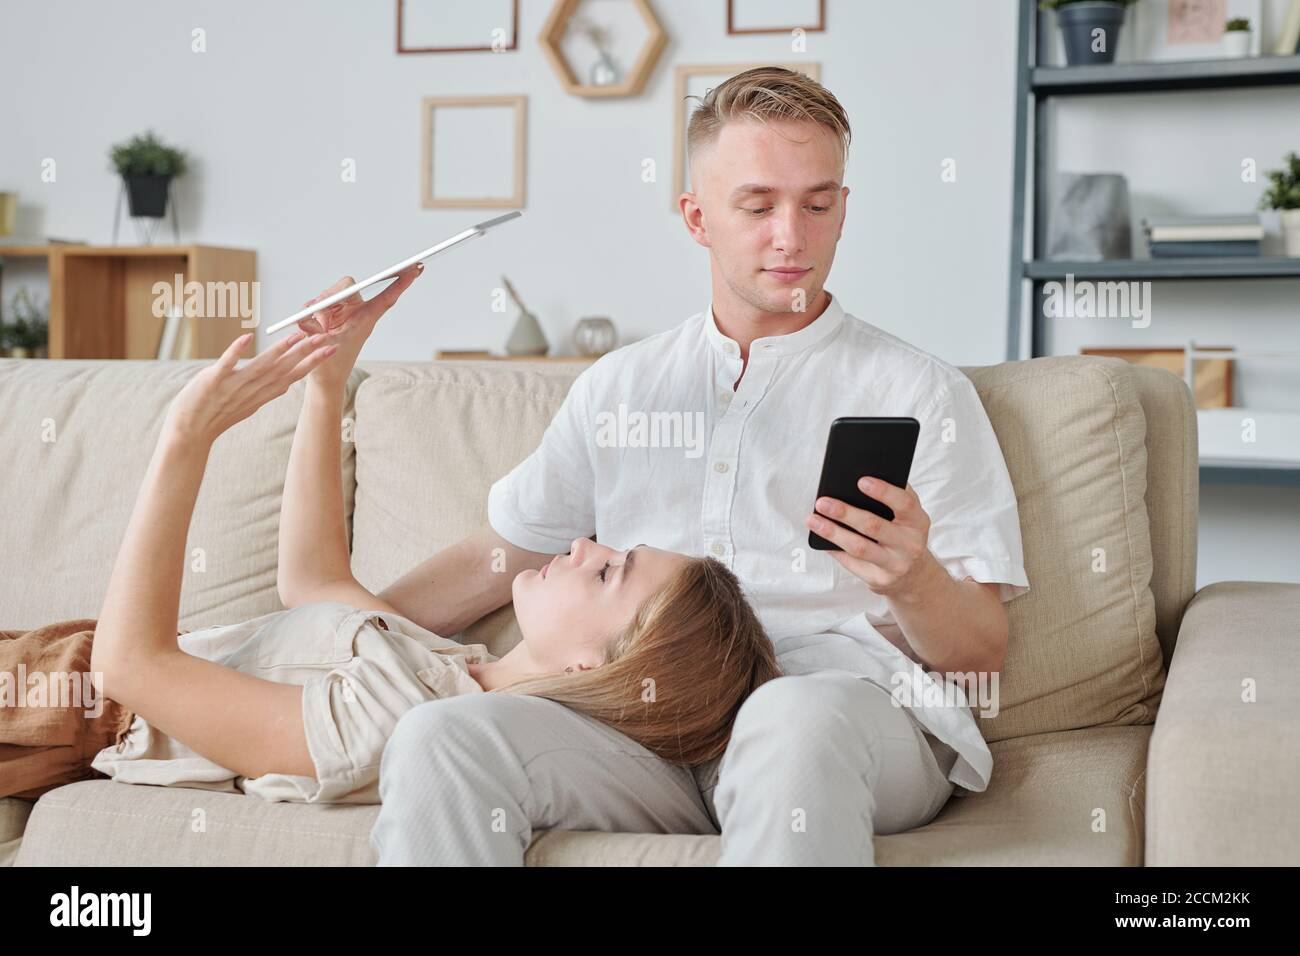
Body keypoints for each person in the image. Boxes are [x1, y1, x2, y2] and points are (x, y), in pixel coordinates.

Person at [360, 67, 1031, 866]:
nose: (792, 236)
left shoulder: (920, 391)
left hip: (839, 718)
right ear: (696, 217)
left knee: (789, 719)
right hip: (649, 727)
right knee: (443, 737)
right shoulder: (622, 385)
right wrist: (346, 637)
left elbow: (982, 651)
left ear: (843, 211)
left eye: (818, 204)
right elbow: (494, 557)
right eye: (757, 206)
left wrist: (912, 580)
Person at [0, 264, 780, 805]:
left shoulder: (396, 730)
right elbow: (312, 589)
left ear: (594, 665)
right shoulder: (454, 667)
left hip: (69, 706)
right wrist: (327, 383)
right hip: (57, 658)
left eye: (610, 572)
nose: (581, 545)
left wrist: (184, 442)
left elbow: (131, 665)